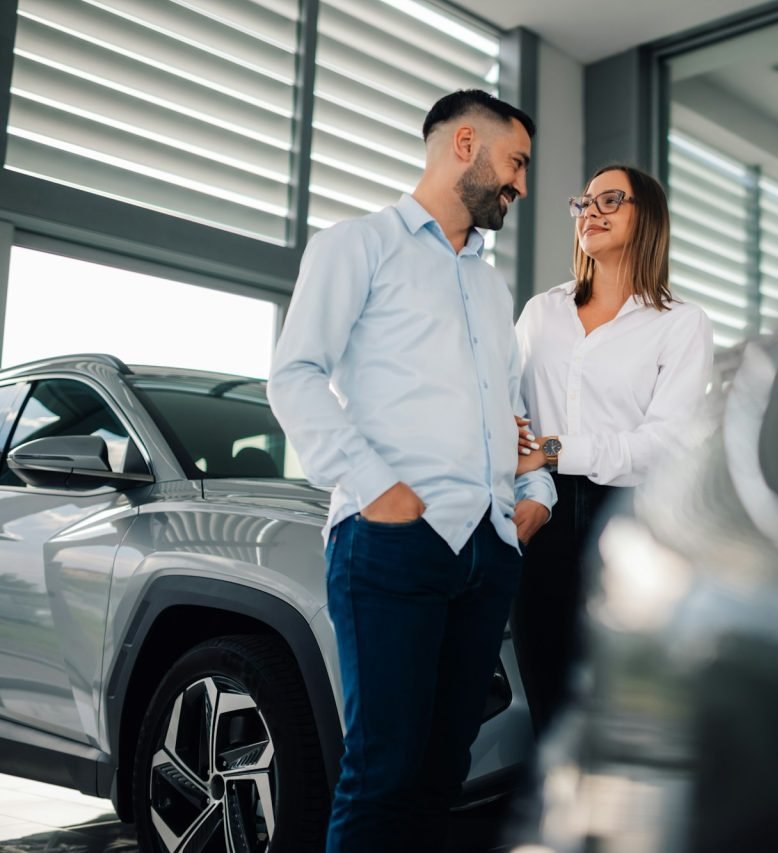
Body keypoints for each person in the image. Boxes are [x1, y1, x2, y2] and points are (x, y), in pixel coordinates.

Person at [267, 89, 555, 852]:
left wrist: (534, 493)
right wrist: (376, 488)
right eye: (516, 162)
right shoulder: (357, 245)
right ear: (466, 144)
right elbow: (294, 374)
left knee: (439, 776)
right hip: (394, 541)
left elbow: (510, 413)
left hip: (486, 552)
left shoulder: (492, 289)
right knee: (382, 772)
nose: (521, 185)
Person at [511, 164, 714, 734]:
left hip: (627, 524)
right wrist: (532, 473)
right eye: (584, 203)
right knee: (548, 708)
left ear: (646, 215)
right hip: (538, 517)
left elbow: (662, 445)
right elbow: (509, 412)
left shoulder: (681, 324)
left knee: (624, 709)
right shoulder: (540, 313)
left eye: (610, 200)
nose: (590, 211)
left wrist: (549, 449)